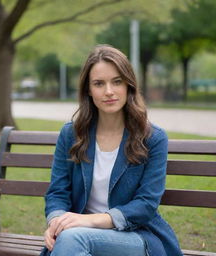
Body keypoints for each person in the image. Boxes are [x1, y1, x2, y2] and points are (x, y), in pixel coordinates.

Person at [40, 45, 183, 256]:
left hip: (137, 236)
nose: (109, 91)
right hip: (78, 235)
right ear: (88, 89)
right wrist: (57, 221)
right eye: (99, 83)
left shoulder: (153, 138)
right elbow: (58, 192)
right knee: (71, 239)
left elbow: (145, 205)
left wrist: (87, 221)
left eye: (117, 82)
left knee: (72, 238)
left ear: (128, 85)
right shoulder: (71, 135)